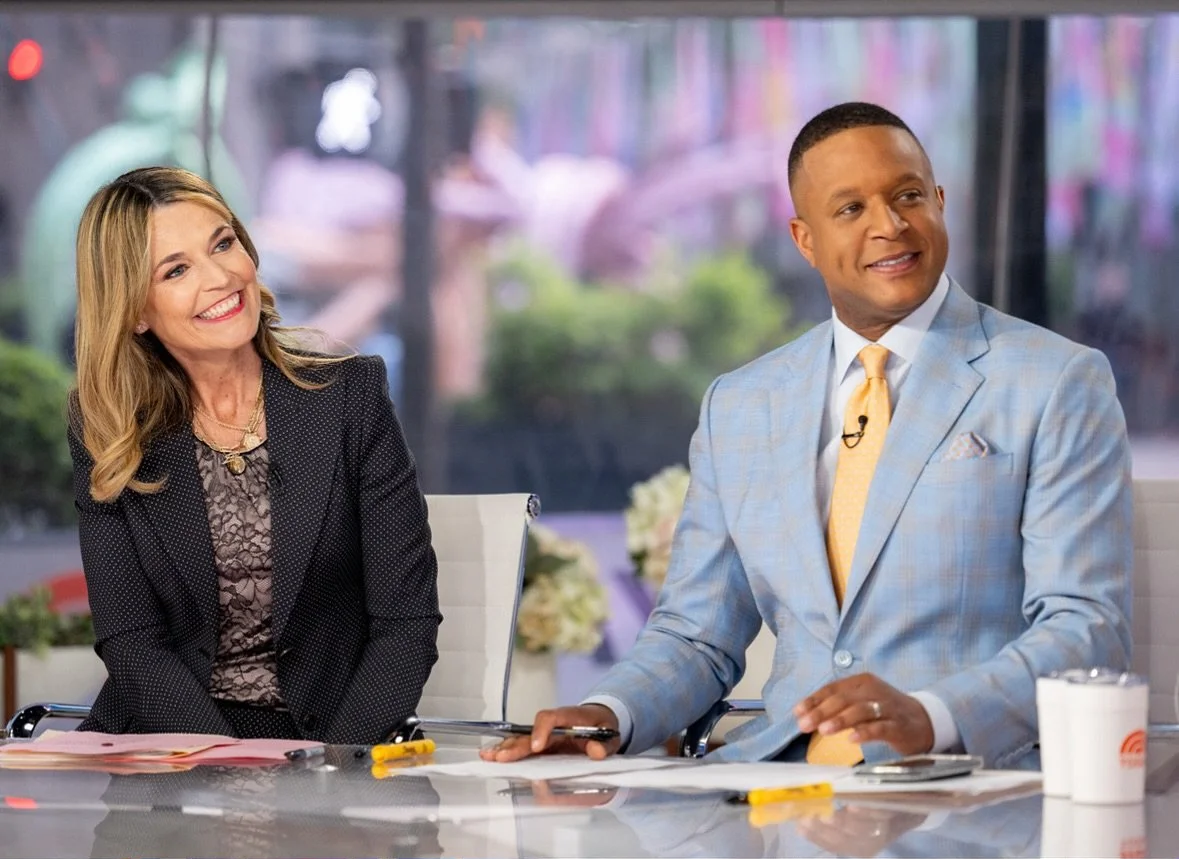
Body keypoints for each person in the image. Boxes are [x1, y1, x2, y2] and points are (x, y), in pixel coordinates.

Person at [484, 101, 1131, 770]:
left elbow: (1087, 629)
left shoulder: (1056, 381)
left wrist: (933, 716)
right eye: (850, 209)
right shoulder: (740, 405)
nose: (889, 225)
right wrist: (609, 713)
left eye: (908, 196)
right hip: (775, 788)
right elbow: (696, 635)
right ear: (805, 239)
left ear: (939, 202)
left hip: (964, 785)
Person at [70, 166, 440, 744]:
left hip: (328, 744)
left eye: (223, 244)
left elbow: (405, 625)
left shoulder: (349, 397)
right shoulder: (109, 428)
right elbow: (133, 642)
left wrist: (330, 771)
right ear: (135, 310)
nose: (221, 277)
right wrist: (219, 763)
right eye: (176, 270)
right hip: (170, 746)